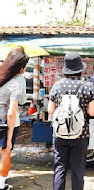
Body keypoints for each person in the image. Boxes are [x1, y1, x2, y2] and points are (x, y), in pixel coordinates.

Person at [48, 52, 94, 190]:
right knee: (78, 169)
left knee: (60, 168)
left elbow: (51, 110)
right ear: (80, 69)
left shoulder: (57, 86)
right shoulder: (87, 86)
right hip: (81, 134)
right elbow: (92, 112)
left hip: (60, 134)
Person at [0, 46, 29, 190]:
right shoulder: (17, 83)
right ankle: (1, 184)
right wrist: (10, 139)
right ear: (20, 68)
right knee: (5, 152)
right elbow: (12, 113)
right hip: (5, 124)